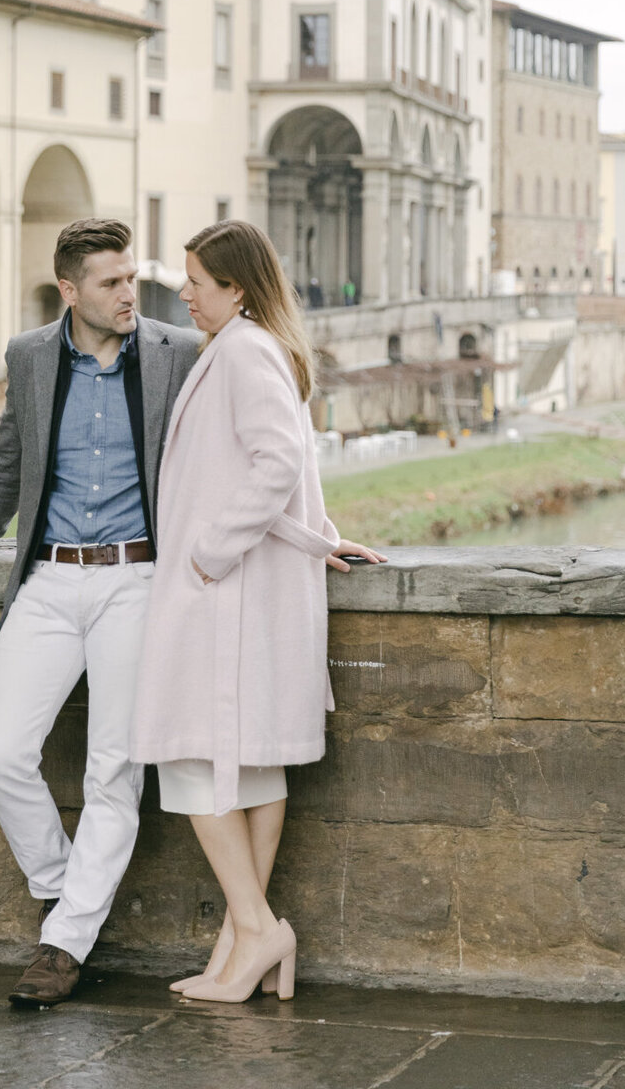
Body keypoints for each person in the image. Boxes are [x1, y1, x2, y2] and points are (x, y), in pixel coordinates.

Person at [0, 218, 201, 1007]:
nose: (130, 294)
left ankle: (64, 944)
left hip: (136, 582)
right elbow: (11, 456)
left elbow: (232, 454)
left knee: (114, 771)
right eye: (111, 282)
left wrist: (308, 534)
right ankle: (64, 893)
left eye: (131, 278)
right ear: (69, 291)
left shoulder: (176, 354)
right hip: (47, 579)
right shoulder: (31, 355)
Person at [133, 220, 386, 1002]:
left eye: (198, 282)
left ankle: (259, 931)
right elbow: (287, 462)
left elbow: (277, 460)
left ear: (235, 288)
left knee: (188, 755)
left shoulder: (243, 351)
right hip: (246, 589)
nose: (184, 294)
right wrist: (323, 536)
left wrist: (211, 549)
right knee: (252, 761)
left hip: (224, 592)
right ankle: (240, 944)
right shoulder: (252, 348)